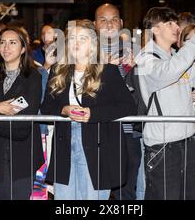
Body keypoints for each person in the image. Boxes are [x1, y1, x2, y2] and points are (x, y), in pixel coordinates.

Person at [41, 19, 136, 200]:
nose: (76, 43)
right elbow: (45, 107)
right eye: (73, 39)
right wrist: (64, 110)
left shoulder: (107, 71)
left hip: (98, 145)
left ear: (93, 44)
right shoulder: (58, 70)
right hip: (64, 145)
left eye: (82, 39)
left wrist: (94, 114)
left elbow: (128, 105)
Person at [135, 6, 195, 200]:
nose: (176, 27)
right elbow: (169, 72)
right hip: (163, 146)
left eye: (176, 22)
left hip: (188, 141)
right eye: (169, 23)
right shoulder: (145, 58)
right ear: (155, 29)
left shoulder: (177, 57)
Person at [0, 26, 43, 200]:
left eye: (12, 43)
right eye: (2, 43)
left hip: (23, 154)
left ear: (23, 49)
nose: (6, 47)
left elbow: (23, 121)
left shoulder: (33, 77)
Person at [94, 3, 142, 200]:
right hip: (100, 134)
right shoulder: (85, 55)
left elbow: (144, 92)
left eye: (113, 19)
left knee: (127, 193)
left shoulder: (136, 53)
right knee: (99, 192)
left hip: (131, 133)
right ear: (95, 24)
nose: (109, 25)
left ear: (121, 23)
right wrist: (104, 68)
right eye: (103, 20)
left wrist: (135, 69)